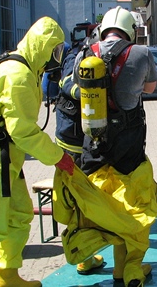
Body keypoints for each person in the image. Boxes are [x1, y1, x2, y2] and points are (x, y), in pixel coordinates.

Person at [0, 17, 75, 287]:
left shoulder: (25, 68)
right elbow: (22, 131)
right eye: (53, 51)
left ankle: (6, 276)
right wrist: (58, 158)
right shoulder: (18, 75)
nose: (55, 59)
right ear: (41, 46)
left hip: (1, 155)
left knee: (19, 214)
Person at [61, 6, 157, 287]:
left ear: (103, 29)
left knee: (93, 199)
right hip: (127, 144)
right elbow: (152, 89)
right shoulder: (141, 53)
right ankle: (127, 268)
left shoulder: (86, 52)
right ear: (130, 30)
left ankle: (85, 256)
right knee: (132, 204)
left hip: (92, 140)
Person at [53, 31, 106, 275]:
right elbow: (66, 84)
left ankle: (82, 250)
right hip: (72, 139)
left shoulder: (78, 55)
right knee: (78, 199)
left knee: (74, 198)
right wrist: (87, 93)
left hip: (71, 134)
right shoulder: (75, 56)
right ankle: (81, 254)